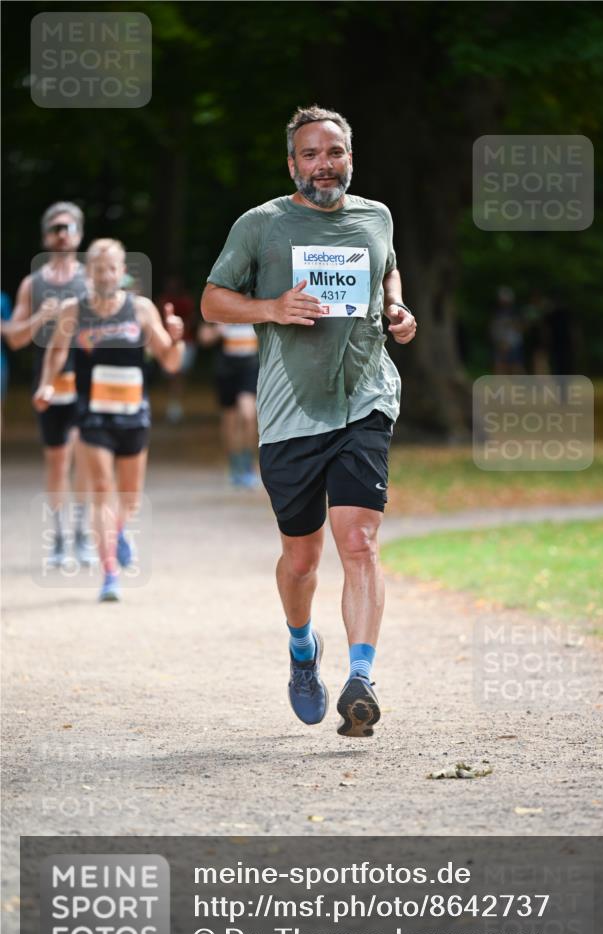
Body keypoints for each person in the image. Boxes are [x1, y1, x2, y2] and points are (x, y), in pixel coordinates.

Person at [201, 105, 416, 737]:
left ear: (352, 156)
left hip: (365, 399)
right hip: (292, 412)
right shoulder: (262, 225)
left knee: (360, 542)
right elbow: (214, 300)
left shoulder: (376, 216)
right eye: (311, 155)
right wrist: (271, 306)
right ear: (292, 163)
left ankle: (362, 677)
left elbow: (388, 269)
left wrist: (397, 309)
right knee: (301, 559)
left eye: (335, 152)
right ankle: (302, 649)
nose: (325, 165)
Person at [33, 239, 184, 602]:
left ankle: (116, 535)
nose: (105, 275)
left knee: (129, 499)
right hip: (93, 415)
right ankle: (109, 573)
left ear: (122, 272)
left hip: (134, 415)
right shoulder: (74, 310)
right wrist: (47, 386)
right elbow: (55, 353)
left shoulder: (141, 309)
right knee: (102, 489)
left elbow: (171, 363)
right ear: (90, 273)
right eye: (98, 269)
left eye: (112, 268)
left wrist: (176, 339)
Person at [3, 202, 93, 565]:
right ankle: (58, 539)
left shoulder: (90, 279)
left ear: (79, 234)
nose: (61, 234)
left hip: (85, 378)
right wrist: (41, 316)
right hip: (49, 381)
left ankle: (83, 534)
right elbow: (14, 338)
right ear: (45, 236)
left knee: (83, 456)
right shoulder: (33, 284)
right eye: (55, 228)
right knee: (57, 463)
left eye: (68, 227)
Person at [197, 316, 260, 487]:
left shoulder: (257, 299)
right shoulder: (220, 303)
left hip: (250, 368)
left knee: (248, 415)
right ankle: (234, 464)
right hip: (226, 370)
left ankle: (248, 463)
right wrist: (218, 330)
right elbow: (203, 337)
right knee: (229, 421)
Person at [157, 275, 197, 424]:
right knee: (172, 376)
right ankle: (173, 403)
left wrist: (181, 329)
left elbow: (192, 319)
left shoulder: (186, 300)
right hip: (167, 343)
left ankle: (175, 404)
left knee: (179, 376)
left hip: (186, 343)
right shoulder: (163, 300)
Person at [489, 286, 524, 374]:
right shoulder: (496, 313)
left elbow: (519, 328)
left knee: (515, 366)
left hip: (513, 343)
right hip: (499, 343)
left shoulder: (515, 312)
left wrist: (508, 342)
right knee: (499, 365)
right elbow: (493, 329)